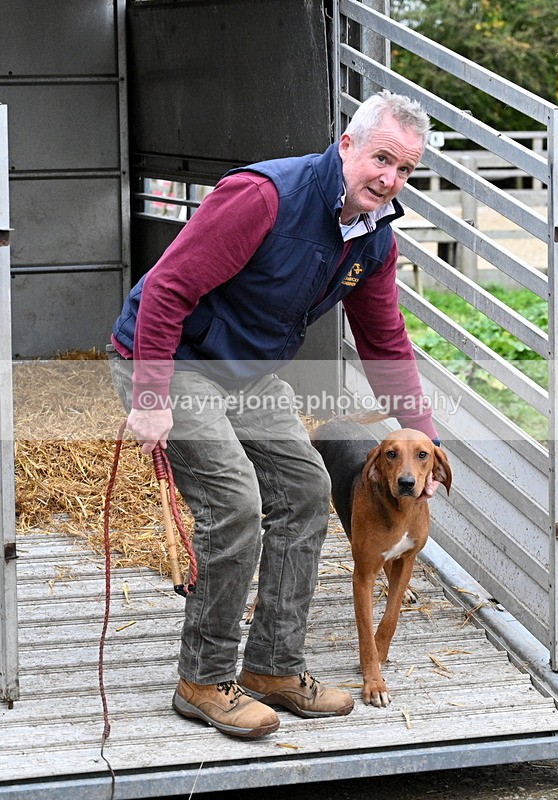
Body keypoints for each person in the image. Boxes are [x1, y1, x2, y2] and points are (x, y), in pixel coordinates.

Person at [107, 90, 440, 739]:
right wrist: (149, 395)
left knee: (305, 488)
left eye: (404, 170)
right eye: (380, 158)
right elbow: (169, 288)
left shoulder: (373, 239)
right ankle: (202, 678)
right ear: (346, 145)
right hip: (174, 358)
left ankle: (272, 667)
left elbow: (385, 341)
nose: (389, 179)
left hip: (246, 373)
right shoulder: (263, 196)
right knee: (233, 503)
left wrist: (423, 437)